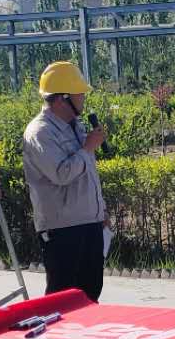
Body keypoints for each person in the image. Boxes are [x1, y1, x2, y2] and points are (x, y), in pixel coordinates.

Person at [22, 61, 109, 301]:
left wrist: (100, 210)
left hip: (89, 222)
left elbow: (88, 173)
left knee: (90, 293)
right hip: (62, 230)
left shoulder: (75, 126)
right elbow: (61, 174)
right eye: (79, 93)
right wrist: (87, 148)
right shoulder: (40, 132)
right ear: (62, 99)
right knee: (61, 298)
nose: (84, 98)